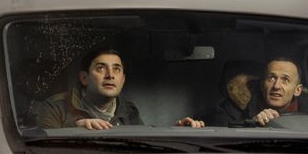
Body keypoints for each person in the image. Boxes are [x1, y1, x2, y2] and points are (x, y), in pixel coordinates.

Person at [34, 48, 205, 130]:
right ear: (84, 78)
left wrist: (176, 130)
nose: (110, 75)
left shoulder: (128, 110)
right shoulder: (54, 106)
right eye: (101, 68)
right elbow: (42, 153)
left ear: (123, 80)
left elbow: (142, 144)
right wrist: (76, 126)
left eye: (116, 69)